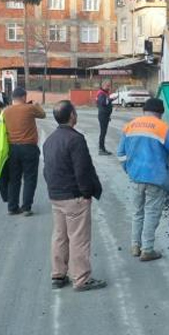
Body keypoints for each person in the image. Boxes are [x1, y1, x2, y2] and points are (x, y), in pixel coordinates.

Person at [117, 98, 169, 262]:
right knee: (151, 212)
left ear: (144, 110)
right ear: (160, 113)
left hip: (136, 177)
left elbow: (120, 154)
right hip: (155, 179)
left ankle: (135, 245)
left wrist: (128, 170)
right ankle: (147, 250)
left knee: (137, 212)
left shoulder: (130, 126)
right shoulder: (162, 128)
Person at [42, 100, 106, 291]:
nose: (76, 115)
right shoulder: (75, 139)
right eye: (75, 112)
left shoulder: (50, 140)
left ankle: (58, 274)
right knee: (78, 238)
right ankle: (81, 278)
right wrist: (87, 193)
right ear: (71, 116)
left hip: (56, 196)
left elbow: (47, 170)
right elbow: (82, 170)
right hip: (74, 197)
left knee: (60, 236)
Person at [2, 87, 46, 216]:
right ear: (23, 97)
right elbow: (43, 115)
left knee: (14, 179)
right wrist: (37, 105)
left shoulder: (6, 111)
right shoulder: (29, 108)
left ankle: (12, 207)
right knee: (29, 178)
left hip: (12, 148)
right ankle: (26, 207)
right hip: (29, 148)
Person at [96, 82, 115, 155]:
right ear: (103, 86)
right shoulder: (101, 94)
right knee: (103, 133)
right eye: (107, 86)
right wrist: (110, 99)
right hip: (103, 115)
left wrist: (110, 99)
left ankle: (102, 149)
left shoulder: (104, 93)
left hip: (105, 115)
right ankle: (101, 149)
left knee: (103, 133)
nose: (108, 87)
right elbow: (103, 103)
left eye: (109, 86)